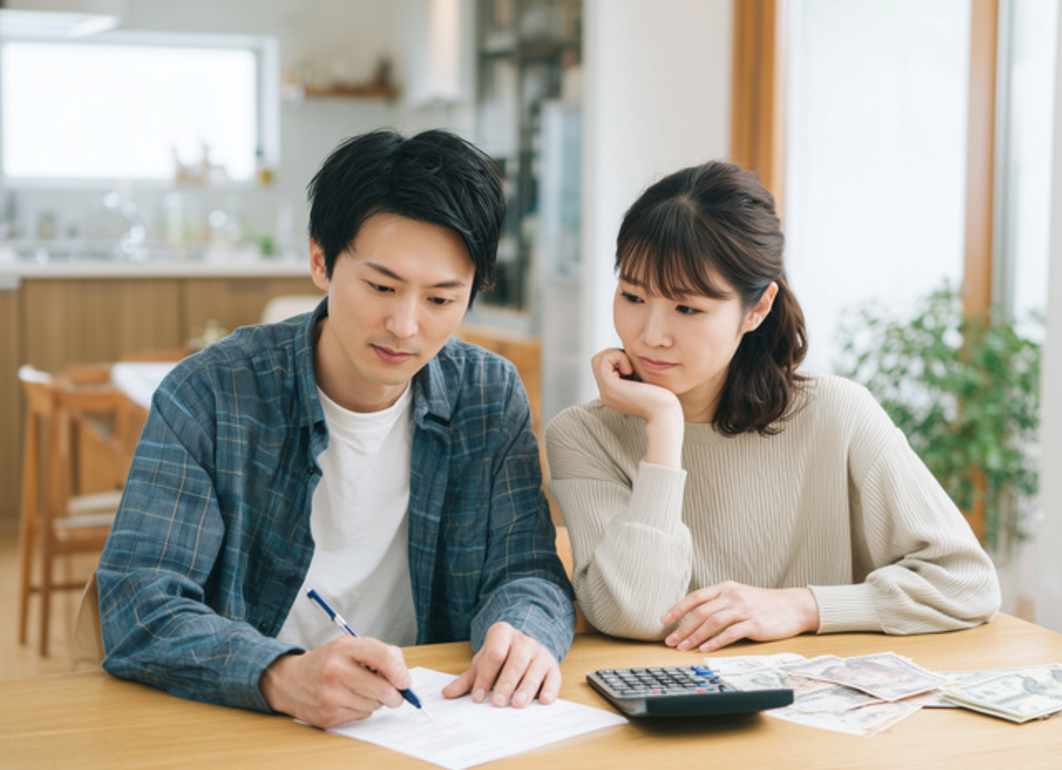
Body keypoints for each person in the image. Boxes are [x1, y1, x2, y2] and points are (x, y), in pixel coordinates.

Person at [97, 129, 576, 728]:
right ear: (321, 261)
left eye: (440, 300)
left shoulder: (488, 394)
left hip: (427, 727)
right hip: (249, 724)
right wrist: (280, 674)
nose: (405, 326)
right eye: (381, 287)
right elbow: (137, 603)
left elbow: (527, 569)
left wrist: (524, 629)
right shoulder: (212, 395)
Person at [544, 160, 1000, 654]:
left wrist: (802, 606)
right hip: (673, 719)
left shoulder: (837, 414)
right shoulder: (582, 435)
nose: (649, 335)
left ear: (756, 309)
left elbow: (967, 583)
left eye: (688, 308)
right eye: (632, 296)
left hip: (818, 714)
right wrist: (664, 426)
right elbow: (633, 613)